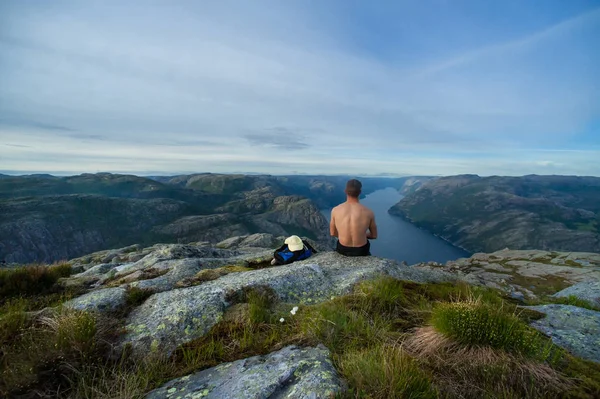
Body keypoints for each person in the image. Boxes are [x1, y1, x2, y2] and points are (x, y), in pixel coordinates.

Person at [330, 179, 378, 256]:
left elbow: (332, 233)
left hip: (342, 249)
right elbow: (374, 235)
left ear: (345, 191)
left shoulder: (335, 210)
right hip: (361, 250)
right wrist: (360, 234)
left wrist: (344, 235)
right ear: (360, 192)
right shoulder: (369, 212)